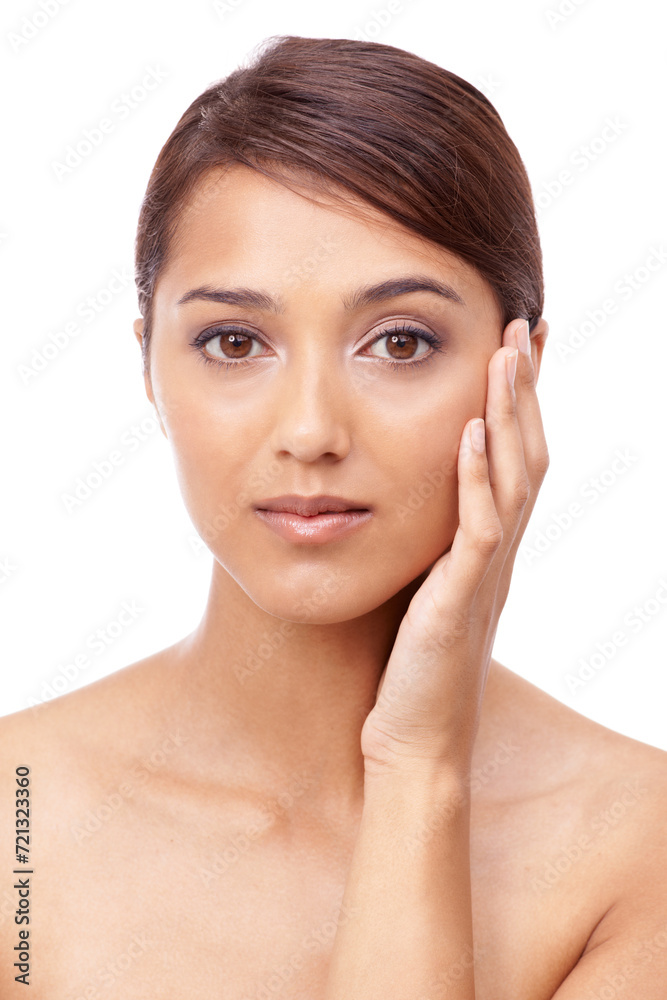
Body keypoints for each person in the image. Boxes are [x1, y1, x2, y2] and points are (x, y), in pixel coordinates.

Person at [1, 34, 666, 999]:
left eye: (398, 342)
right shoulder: (17, 816)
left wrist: (419, 766)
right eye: (233, 340)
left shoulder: (634, 845)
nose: (310, 430)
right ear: (149, 366)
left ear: (519, 369)